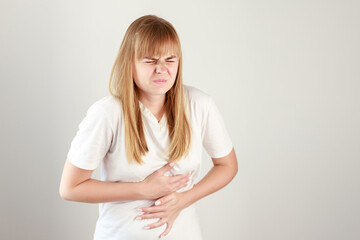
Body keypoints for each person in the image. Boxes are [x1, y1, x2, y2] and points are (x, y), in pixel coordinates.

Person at [59, 14, 238, 240]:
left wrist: (184, 199)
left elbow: (227, 165)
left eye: (170, 60)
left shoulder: (199, 104)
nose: (161, 69)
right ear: (130, 62)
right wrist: (143, 189)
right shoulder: (107, 113)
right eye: (150, 61)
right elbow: (70, 188)